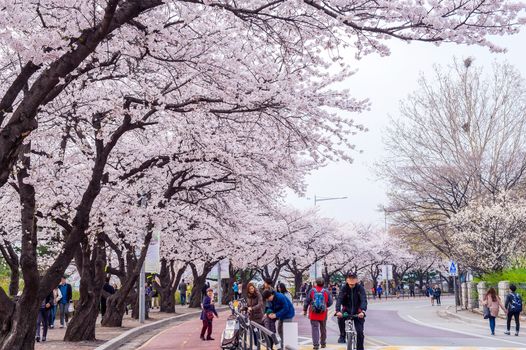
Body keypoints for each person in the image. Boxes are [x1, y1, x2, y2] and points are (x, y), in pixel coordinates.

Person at [335, 272, 367, 349]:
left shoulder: (360, 288)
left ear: (356, 280)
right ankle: (342, 335)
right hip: (347, 310)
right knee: (340, 318)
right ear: (347, 280)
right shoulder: (344, 288)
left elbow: (364, 300)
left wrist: (363, 311)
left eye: (353, 282)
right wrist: (338, 310)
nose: (352, 285)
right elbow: (339, 299)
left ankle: (360, 348)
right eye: (350, 282)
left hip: (358, 312)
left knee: (360, 332)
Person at [303, 278, 333, 350]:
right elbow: (330, 302)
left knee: (314, 328)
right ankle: (323, 343)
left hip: (313, 313)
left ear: (316, 283)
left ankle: (316, 345)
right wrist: (325, 306)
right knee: (323, 328)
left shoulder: (312, 291)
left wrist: (305, 310)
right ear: (323, 284)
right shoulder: (326, 291)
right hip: (323, 313)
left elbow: (307, 301)